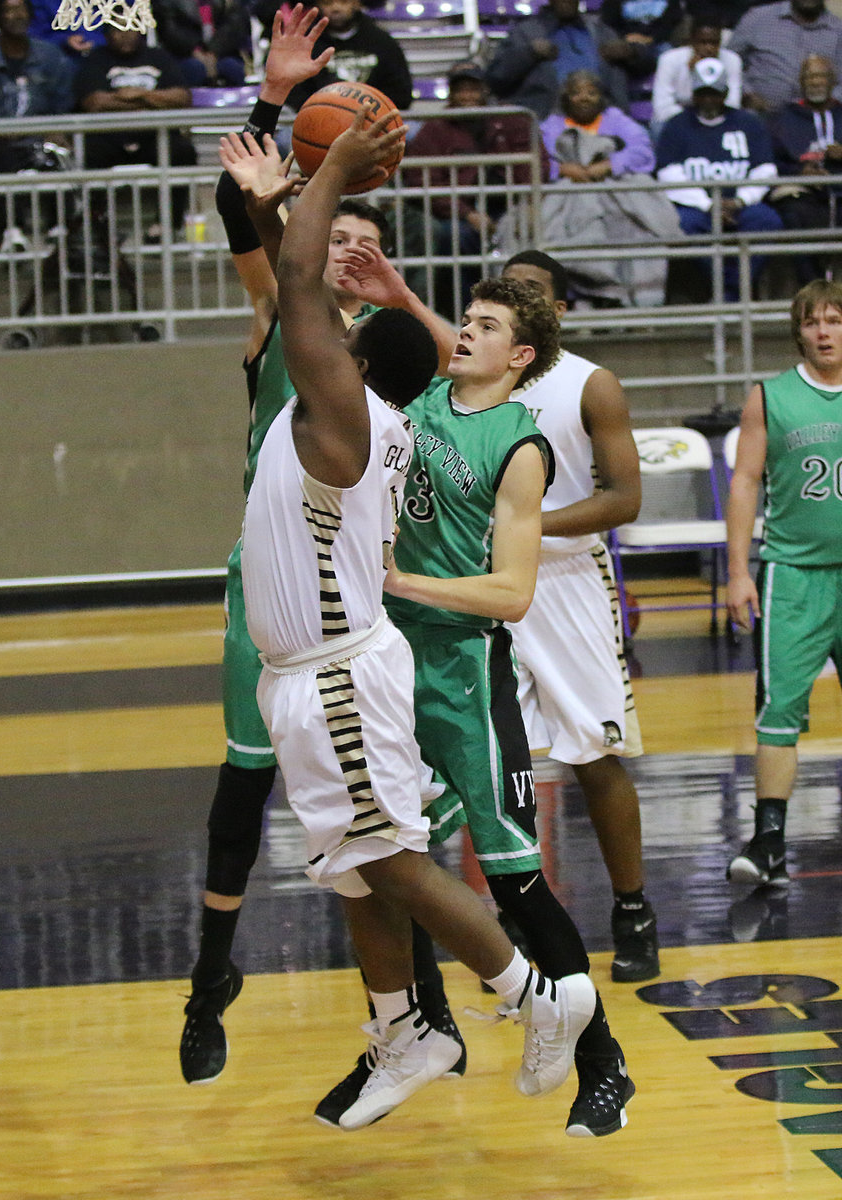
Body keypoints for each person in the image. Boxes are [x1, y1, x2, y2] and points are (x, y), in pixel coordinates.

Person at [236, 105, 598, 1131]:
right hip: (310, 671)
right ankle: (405, 1029)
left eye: (341, 339)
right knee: (354, 867)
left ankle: (536, 994)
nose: (324, 333)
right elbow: (296, 293)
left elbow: (305, 295)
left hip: (337, 673)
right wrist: (276, 212)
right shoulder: (348, 408)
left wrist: (332, 176)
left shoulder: (339, 421)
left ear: (349, 367)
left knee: (388, 859)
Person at [179, 4, 461, 1091]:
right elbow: (239, 218)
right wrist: (277, 97)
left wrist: (398, 290)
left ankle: (420, 1009)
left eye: (362, 242)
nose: (344, 250)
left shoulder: (388, 358)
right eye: (330, 237)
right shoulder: (277, 325)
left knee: (386, 821)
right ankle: (210, 983)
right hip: (273, 597)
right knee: (244, 794)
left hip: (363, 607)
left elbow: (477, 374)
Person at [329, 244, 637, 1138]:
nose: (466, 332)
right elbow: (429, 341)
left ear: (523, 359)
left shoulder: (522, 445)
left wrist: (403, 582)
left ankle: (602, 1062)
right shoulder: (420, 400)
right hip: (391, 666)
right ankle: (420, 1031)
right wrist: (392, 293)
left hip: (466, 667)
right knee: (379, 863)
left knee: (516, 885)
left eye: (488, 326)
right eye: (464, 320)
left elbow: (512, 593)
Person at [497, 248, 658, 983]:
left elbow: (624, 498)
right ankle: (524, 918)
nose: (516, 301)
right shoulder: (470, 381)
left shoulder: (591, 382)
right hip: (493, 584)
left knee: (597, 753)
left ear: (559, 311)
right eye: (506, 292)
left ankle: (632, 910)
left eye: (531, 292)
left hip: (566, 581)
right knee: (501, 765)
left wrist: (530, 525)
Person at [725, 277, 842, 888]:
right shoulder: (770, 396)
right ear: (798, 330)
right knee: (779, 714)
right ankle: (768, 842)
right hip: (793, 574)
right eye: (812, 321)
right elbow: (745, 483)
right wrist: (739, 570)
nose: (824, 332)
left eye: (834, 319)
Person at [401, 58, 543, 315]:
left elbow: (536, 165)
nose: (467, 95)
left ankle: (524, 313)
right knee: (454, 236)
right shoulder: (434, 129)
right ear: (451, 93)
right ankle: (467, 311)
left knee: (528, 231)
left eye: (473, 88)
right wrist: (467, 213)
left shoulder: (511, 119)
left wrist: (529, 202)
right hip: (461, 212)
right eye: (461, 89)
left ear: (485, 90)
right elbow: (422, 181)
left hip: (511, 204)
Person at [536, 70, 681, 309]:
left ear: (601, 97)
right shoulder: (550, 127)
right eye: (577, 93)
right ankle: (585, 294)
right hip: (568, 194)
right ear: (566, 98)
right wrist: (562, 169)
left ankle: (637, 303)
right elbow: (537, 161)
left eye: (591, 93)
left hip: (614, 191)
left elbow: (642, 151)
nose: (584, 98)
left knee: (637, 227)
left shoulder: (616, 120)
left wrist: (609, 164)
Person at [656, 56, 783, 303]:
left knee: (768, 220)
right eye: (702, 93)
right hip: (696, 207)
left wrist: (739, 201)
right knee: (683, 225)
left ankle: (733, 291)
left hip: (741, 204)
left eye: (714, 93)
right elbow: (667, 173)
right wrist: (709, 205)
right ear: (693, 94)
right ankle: (726, 287)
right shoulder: (677, 126)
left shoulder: (748, 123)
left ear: (725, 93)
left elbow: (765, 169)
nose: (708, 99)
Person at [0, 0, 73, 250]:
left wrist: (57, 129)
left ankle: (61, 228)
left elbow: (65, 103)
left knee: (54, 156)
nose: (16, 15)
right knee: (4, 156)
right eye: (9, 10)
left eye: (21, 9)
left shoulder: (50, 56)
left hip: (43, 139)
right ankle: (12, 231)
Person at [73, 24, 197, 240]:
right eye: (117, 30)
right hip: (109, 137)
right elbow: (94, 102)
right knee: (88, 153)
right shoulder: (97, 58)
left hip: (153, 136)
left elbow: (182, 98)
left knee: (182, 151)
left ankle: (167, 224)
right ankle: (97, 225)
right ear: (106, 35)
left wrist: (138, 94)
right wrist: (152, 101)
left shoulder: (158, 57)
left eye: (130, 29)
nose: (125, 35)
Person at [484, 0, 630, 121]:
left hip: (603, 122)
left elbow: (645, 63)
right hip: (544, 122)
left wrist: (634, 52)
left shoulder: (602, 32)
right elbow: (496, 78)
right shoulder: (525, 32)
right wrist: (529, 53)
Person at [767, 54, 842, 282]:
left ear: (832, 80)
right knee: (792, 213)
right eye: (809, 77)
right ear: (800, 82)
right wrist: (799, 173)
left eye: (821, 76)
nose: (815, 82)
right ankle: (812, 285)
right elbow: (770, 162)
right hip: (802, 192)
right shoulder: (782, 118)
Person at [277, 0, 413, 112]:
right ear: (318, 5)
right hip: (318, 118)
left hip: (374, 118)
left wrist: (367, 108)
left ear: (357, 3)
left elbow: (401, 93)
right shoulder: (306, 42)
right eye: (328, 3)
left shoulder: (382, 41)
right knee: (285, 138)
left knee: (416, 133)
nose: (335, 8)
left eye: (343, 2)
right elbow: (295, 93)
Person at [729, 0, 842, 115]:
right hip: (759, 117)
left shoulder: (838, 30)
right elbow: (729, 60)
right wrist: (746, 92)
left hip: (814, 122)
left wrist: (825, 103)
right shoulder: (758, 18)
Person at [651, 12, 743, 131]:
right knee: (658, 126)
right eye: (703, 42)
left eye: (714, 43)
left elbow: (733, 104)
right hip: (679, 120)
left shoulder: (732, 60)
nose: (709, 48)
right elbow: (662, 109)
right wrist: (693, 74)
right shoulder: (669, 59)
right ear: (692, 41)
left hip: (717, 118)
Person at [149, 0, 251, 88]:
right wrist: (195, 50)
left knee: (231, 67)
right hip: (182, 54)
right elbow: (169, 29)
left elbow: (235, 23)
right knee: (194, 68)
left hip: (221, 52)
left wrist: (214, 51)